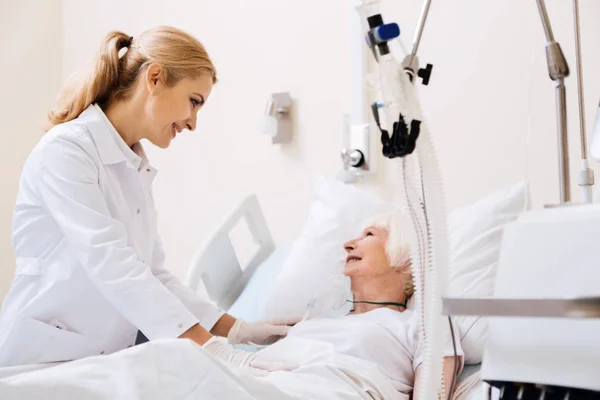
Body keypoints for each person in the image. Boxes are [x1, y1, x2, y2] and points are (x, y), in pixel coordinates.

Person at [0, 26, 291, 372]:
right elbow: (112, 263)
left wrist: (238, 330)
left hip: (98, 358)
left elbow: (153, 274)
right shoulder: (67, 151)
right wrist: (213, 350)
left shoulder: (133, 165)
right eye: (193, 102)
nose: (193, 123)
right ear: (154, 78)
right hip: (42, 357)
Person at [283, 212, 464, 399]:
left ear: (407, 259)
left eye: (369, 234)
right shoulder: (318, 320)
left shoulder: (426, 322)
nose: (348, 245)